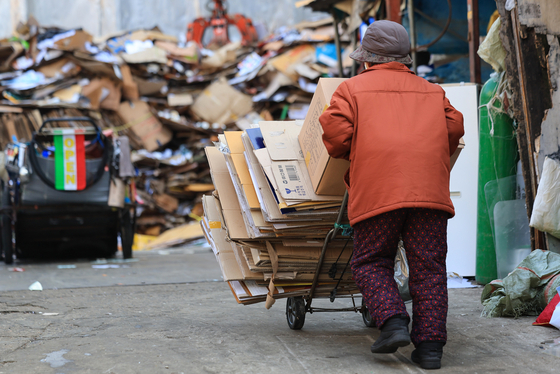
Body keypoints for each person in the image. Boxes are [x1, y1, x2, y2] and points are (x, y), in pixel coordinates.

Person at [319, 20, 464, 370]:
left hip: (378, 193)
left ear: (366, 59)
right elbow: (454, 126)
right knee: (429, 268)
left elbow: (336, 139)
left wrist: (366, 146)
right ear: (406, 59)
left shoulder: (350, 91)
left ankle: (394, 322)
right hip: (429, 194)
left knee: (371, 261)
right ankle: (430, 349)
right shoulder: (432, 91)